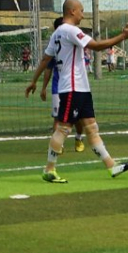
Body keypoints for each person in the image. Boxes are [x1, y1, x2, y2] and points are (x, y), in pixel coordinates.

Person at [26, 0, 128, 183]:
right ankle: (49, 168)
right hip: (72, 87)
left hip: (81, 88)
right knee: (63, 128)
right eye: (81, 10)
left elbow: (45, 60)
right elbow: (95, 46)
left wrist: (33, 81)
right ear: (72, 11)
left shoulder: (56, 34)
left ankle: (111, 166)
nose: (82, 14)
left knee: (91, 128)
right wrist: (122, 37)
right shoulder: (70, 30)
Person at [40, 17, 84, 153]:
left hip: (74, 86)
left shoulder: (73, 45)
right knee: (57, 118)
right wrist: (43, 88)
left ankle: (78, 138)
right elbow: (47, 69)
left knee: (77, 117)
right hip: (57, 88)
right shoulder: (54, 46)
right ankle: (59, 144)